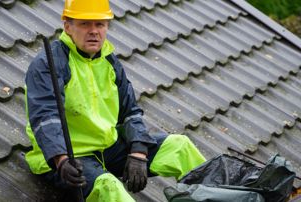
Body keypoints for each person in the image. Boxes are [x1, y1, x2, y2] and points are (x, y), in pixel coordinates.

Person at [24, 0, 206, 201]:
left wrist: (138, 151)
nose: (94, 31)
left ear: (107, 27)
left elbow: (130, 113)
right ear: (68, 27)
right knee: (110, 187)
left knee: (180, 146)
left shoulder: (110, 62)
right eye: (85, 23)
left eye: (100, 24)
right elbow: (45, 117)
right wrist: (61, 159)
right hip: (70, 159)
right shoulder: (49, 63)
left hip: (108, 149)